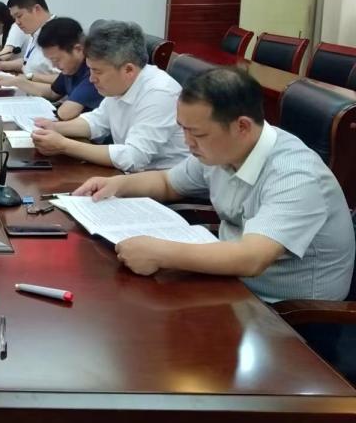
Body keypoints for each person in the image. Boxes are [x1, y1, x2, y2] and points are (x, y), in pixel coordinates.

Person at [73, 68, 355, 303]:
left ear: (242, 127)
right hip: (231, 286)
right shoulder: (223, 150)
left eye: (197, 133)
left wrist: (160, 253)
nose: (187, 142)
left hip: (286, 314)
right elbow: (167, 182)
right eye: (183, 128)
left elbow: (252, 258)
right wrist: (118, 184)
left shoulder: (295, 175)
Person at [31, 20, 189, 171]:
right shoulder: (120, 84)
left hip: (163, 183)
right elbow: (97, 121)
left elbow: (133, 157)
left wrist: (64, 145)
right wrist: (54, 127)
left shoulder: (159, 93)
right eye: (90, 69)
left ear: (128, 70)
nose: (91, 79)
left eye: (97, 71)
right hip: (132, 175)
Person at [0, 17, 102, 120]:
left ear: (78, 49)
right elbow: (52, 92)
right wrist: (16, 81)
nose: (54, 65)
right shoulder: (71, 67)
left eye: (56, 60)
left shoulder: (93, 72)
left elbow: (65, 113)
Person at [0, 0, 57, 81]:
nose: (17, 22)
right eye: (14, 18)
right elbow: (27, 62)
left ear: (37, 9)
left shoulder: (58, 34)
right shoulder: (36, 32)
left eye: (19, 16)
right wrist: (1, 65)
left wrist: (24, 79)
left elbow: (62, 80)